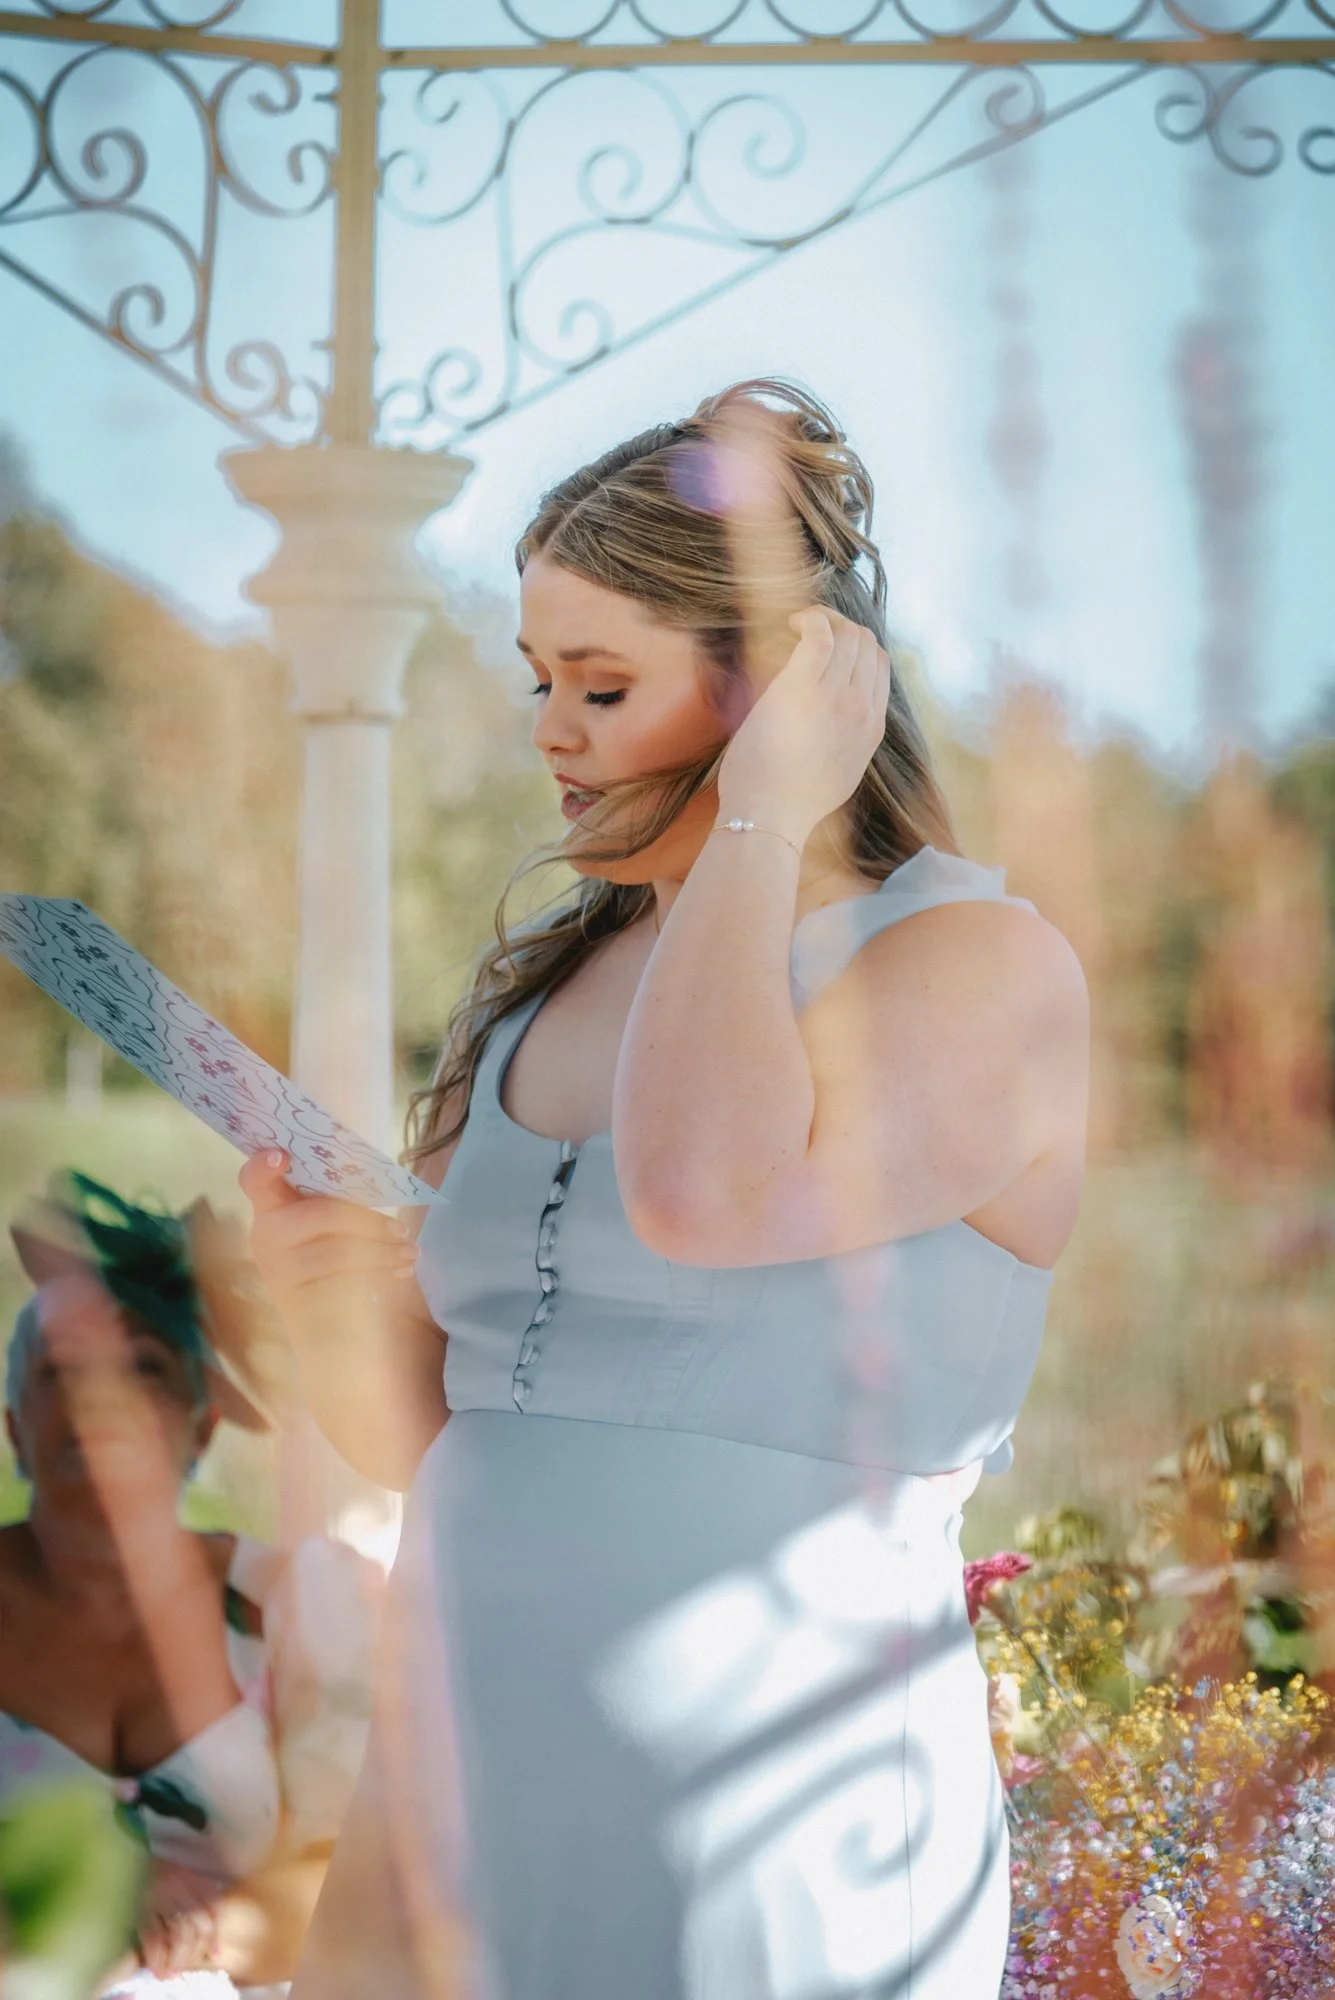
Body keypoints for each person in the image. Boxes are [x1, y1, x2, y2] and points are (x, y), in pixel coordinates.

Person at [243, 379, 1090, 1999]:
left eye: (603, 682)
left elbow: (701, 1192)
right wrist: (333, 1308)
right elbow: (464, 1438)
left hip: (774, 1821)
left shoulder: (977, 968)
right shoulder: (538, 997)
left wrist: (767, 818)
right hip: (459, 1791)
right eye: (539, 679)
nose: (550, 730)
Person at [0, 1173, 382, 1998]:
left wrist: (200, 1932)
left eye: (146, 1367)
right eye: (63, 1370)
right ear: (13, 1428)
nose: (103, 1400)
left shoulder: (300, 1605)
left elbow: (350, 1880)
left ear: (202, 1427)